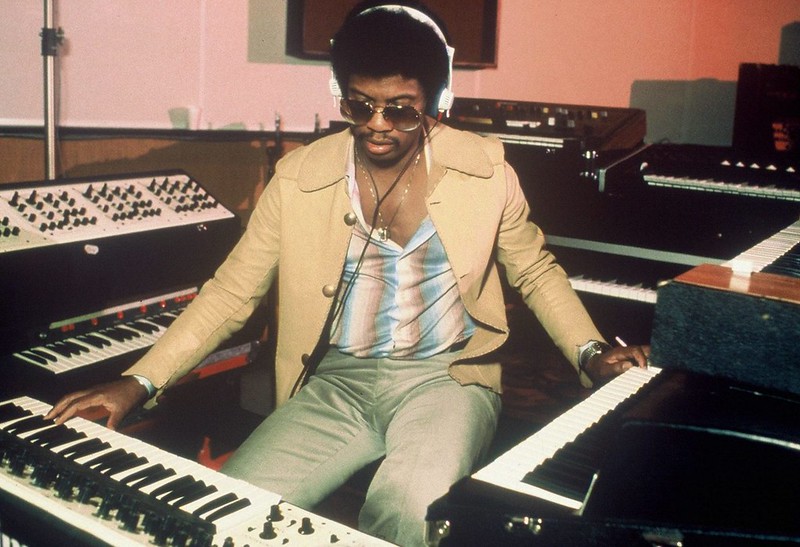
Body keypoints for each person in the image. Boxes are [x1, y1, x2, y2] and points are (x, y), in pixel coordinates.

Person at [46, 1, 649, 545]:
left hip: (447, 379)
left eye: (401, 110)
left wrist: (591, 351)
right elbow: (231, 292)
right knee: (234, 512)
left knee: (409, 508)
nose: (378, 124)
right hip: (336, 384)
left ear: (435, 102)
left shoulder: (488, 171)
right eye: (360, 105)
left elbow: (535, 270)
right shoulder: (298, 177)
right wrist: (140, 381)